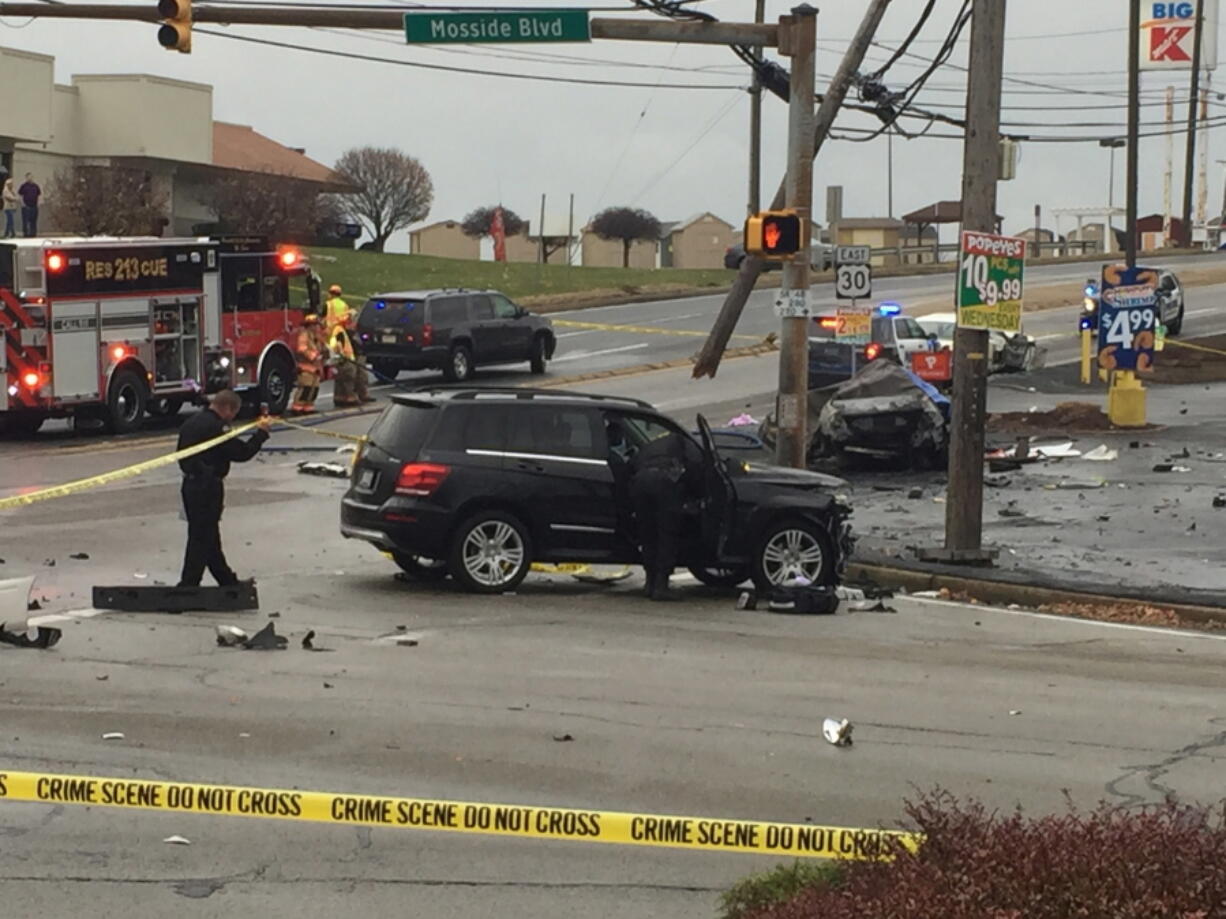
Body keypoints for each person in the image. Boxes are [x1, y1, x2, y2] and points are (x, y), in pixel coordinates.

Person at [176, 390, 271, 588]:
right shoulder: (218, 427)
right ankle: (188, 585)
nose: (233, 418)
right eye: (233, 414)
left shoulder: (191, 423)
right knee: (201, 537)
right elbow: (241, 453)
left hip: (189, 485)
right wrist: (261, 434)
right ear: (227, 408)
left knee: (207, 534)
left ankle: (226, 580)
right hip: (208, 486)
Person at [627, 428, 701, 602]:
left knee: (648, 534)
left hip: (640, 483)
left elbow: (631, 465)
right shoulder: (685, 443)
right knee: (667, 534)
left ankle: (649, 583)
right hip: (663, 482)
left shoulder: (652, 445)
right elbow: (695, 467)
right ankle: (661, 586)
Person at [324, 283, 374, 403]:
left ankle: (350, 395)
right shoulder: (343, 307)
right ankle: (350, 396)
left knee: (352, 372)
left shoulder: (328, 305)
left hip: (334, 340)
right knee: (348, 372)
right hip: (341, 344)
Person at [291, 313, 326, 414]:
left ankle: (308, 407)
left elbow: (323, 347)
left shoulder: (317, 336)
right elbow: (302, 349)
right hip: (305, 367)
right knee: (305, 388)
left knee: (314, 389)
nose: (316, 327)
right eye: (314, 325)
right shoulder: (304, 335)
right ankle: (297, 407)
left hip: (316, 368)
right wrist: (314, 355)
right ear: (309, 326)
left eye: (317, 325)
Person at [329, 321, 360, 407]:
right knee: (348, 378)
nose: (353, 324)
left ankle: (339, 398)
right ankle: (350, 398)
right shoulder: (340, 331)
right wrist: (342, 356)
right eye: (351, 322)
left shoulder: (337, 330)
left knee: (340, 380)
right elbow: (337, 345)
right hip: (346, 360)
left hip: (342, 360)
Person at [17, 173, 40, 238]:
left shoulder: (36, 186)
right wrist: (22, 204)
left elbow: (39, 195)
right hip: (26, 206)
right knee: (25, 221)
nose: (30, 178)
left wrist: (38, 203)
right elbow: (20, 195)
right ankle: (26, 234)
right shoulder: (23, 186)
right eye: (29, 177)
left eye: (31, 177)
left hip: (34, 206)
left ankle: (33, 234)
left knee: (33, 221)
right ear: (26, 178)